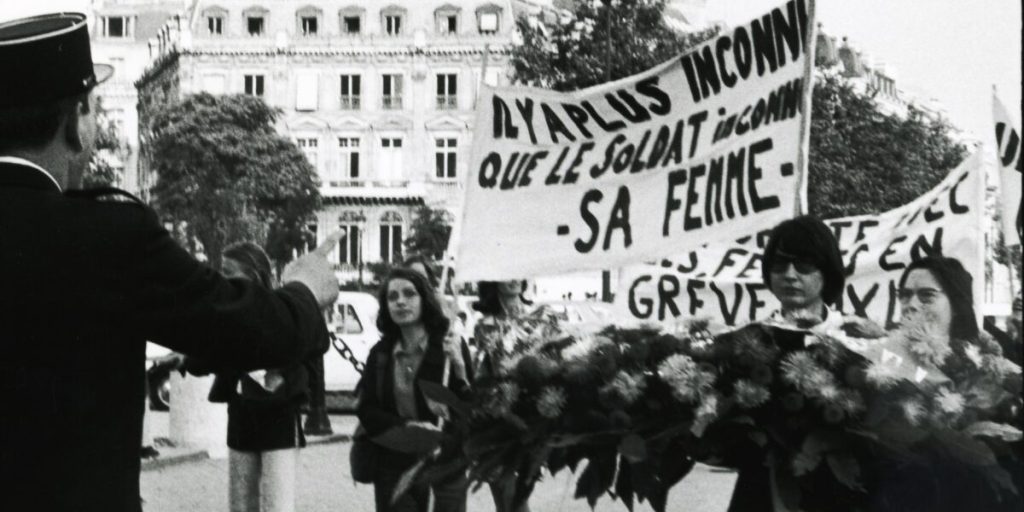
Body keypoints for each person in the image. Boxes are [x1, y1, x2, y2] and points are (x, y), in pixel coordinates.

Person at [0, 13, 339, 512]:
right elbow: (249, 330)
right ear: (75, 120)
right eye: (92, 108)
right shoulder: (107, 234)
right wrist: (305, 289)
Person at [708, 215, 874, 512]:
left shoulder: (858, 338)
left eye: (804, 265)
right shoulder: (749, 339)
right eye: (779, 265)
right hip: (762, 493)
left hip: (838, 495)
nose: (790, 274)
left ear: (827, 270)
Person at [868, 256, 1023, 512]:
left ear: (956, 304)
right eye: (904, 295)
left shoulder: (987, 363)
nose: (911, 305)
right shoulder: (877, 358)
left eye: (926, 296)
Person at [203, 243, 313, 512]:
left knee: (277, 502)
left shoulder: (279, 311)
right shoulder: (227, 314)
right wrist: (185, 357)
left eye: (229, 272)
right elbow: (212, 349)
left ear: (253, 276)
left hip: (279, 416)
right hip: (242, 415)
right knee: (240, 503)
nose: (222, 279)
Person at [356, 268, 470, 512]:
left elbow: (469, 406)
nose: (400, 301)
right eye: (392, 296)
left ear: (424, 300)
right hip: (394, 461)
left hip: (446, 460)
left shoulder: (449, 349)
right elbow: (366, 410)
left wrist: (460, 367)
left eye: (409, 294)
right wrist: (406, 428)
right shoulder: (380, 353)